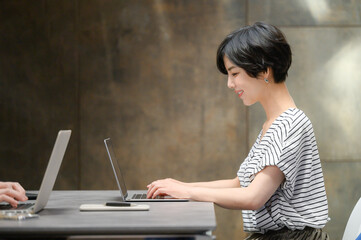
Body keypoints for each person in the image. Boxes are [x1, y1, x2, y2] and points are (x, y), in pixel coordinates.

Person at [147, 22, 329, 239]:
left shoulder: (290, 124)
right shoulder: (275, 124)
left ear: (264, 70)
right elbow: (239, 184)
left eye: (234, 74)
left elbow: (253, 197)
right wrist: (180, 187)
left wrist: (188, 192)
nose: (230, 84)